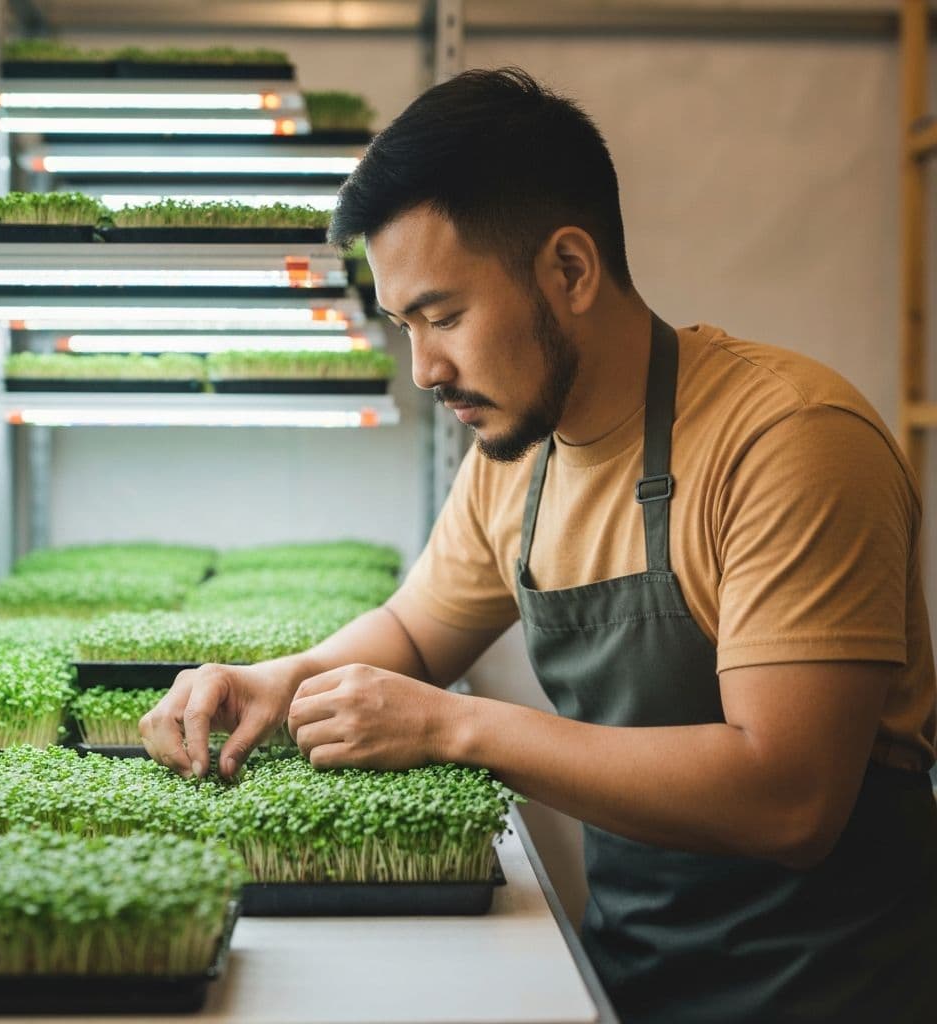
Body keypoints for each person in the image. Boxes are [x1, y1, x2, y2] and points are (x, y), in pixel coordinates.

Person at [141, 68, 937, 1022]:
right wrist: (280, 676)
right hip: (632, 969)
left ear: (569, 270)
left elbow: (791, 799)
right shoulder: (518, 451)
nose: (425, 369)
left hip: (828, 991)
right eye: (405, 327)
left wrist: (456, 727)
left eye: (444, 317)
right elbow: (415, 629)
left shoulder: (790, 443)